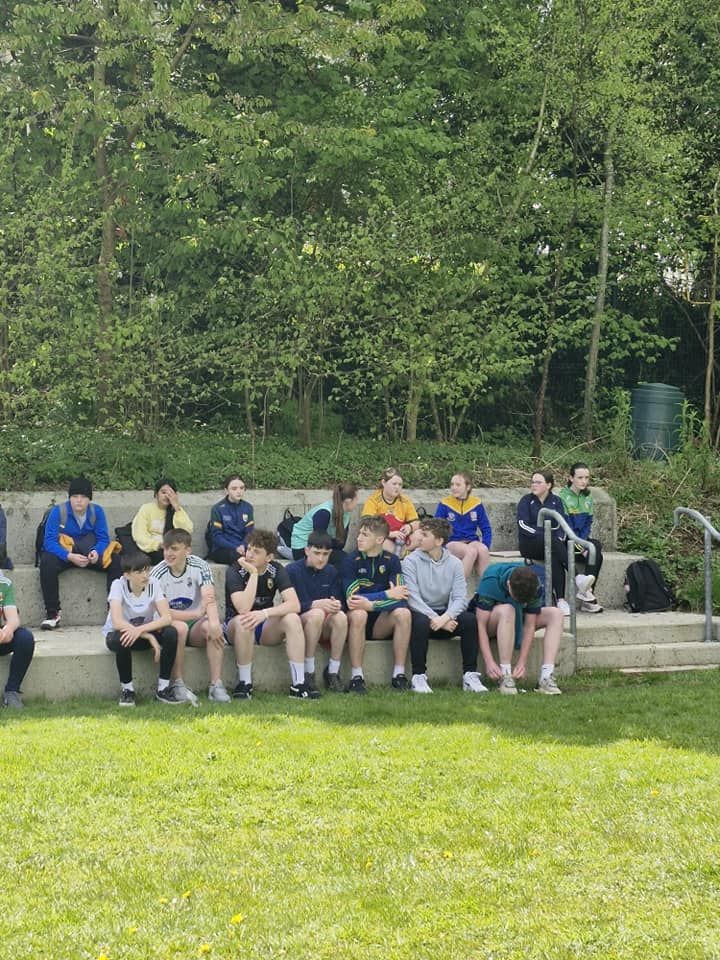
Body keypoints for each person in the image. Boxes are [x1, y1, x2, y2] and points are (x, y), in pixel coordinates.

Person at [224, 528, 318, 699]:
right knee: (245, 620)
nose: (249, 554)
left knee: (292, 618)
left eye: (256, 551)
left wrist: (265, 613)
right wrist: (253, 574)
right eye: (249, 548)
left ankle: (298, 684)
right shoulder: (235, 569)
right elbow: (243, 608)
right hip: (235, 626)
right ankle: (244, 684)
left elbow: (294, 604)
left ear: (269, 557)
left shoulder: (275, 569)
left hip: (263, 626)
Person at [402, 518, 487, 694]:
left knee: (470, 620)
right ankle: (418, 676)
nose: (420, 538)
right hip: (423, 614)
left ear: (439, 541)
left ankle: (470, 675)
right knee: (419, 622)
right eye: (420, 533)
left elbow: (460, 598)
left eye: (425, 535)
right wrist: (436, 618)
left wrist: (446, 617)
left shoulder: (454, 563)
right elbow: (413, 599)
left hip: (445, 617)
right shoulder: (410, 561)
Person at [150, 528, 225, 704]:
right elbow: (163, 612)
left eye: (174, 549)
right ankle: (178, 683)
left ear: (188, 550)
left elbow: (209, 597)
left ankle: (216, 685)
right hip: (168, 623)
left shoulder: (200, 566)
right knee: (180, 628)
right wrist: (196, 613)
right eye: (166, 549)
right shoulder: (157, 573)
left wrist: (214, 623)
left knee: (211, 628)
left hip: (195, 624)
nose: (168, 553)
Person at [340, 515, 411, 694]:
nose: (358, 538)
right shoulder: (350, 561)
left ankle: (399, 675)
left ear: (379, 540)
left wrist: (371, 605)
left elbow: (401, 597)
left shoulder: (392, 561)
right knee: (359, 613)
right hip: (356, 620)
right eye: (359, 534)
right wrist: (386, 594)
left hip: (381, 621)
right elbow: (353, 600)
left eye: (365, 535)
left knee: (403, 613)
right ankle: (356, 677)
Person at [39, 477, 120, 630]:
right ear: (69, 497)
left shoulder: (97, 511)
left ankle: (114, 611)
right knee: (47, 561)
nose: (79, 501)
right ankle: (52, 613)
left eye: (83, 497)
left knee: (116, 561)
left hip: (89, 554)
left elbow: (103, 539)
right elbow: (49, 542)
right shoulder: (58, 511)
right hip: (67, 553)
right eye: (75, 496)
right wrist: (68, 556)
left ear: (89, 499)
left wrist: (96, 552)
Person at [104, 552, 182, 706]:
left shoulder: (154, 584)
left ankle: (163, 688)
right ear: (127, 575)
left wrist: (140, 631)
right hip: (120, 635)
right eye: (139, 572)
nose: (145, 575)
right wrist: (149, 636)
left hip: (141, 633)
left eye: (147, 570)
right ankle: (127, 690)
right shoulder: (117, 585)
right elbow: (117, 622)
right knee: (122, 638)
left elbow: (167, 618)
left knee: (171, 632)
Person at [474, 562, 564, 695]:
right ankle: (505, 675)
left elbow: (529, 625)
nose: (519, 603)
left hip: (519, 619)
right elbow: (480, 625)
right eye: (516, 598)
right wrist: (489, 662)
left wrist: (522, 662)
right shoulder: (491, 579)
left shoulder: (534, 584)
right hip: (494, 622)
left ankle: (546, 677)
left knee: (556, 614)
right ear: (508, 584)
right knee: (508, 609)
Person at [516, 470, 593, 616]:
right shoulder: (526, 501)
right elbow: (522, 525)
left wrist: (556, 537)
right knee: (553, 542)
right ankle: (577, 577)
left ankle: (561, 600)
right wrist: (543, 533)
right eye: (533, 482)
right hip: (529, 544)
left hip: (551, 543)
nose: (534, 485)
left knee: (555, 553)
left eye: (538, 482)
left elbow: (561, 525)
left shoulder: (556, 501)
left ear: (548, 485)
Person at [286, 531, 348, 692]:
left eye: (325, 554)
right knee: (317, 614)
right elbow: (289, 606)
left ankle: (333, 672)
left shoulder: (332, 571)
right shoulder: (292, 570)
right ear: (307, 550)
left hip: (324, 625)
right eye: (317, 553)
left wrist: (336, 605)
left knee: (341, 617)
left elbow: (339, 600)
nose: (321, 558)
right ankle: (308, 671)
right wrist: (314, 604)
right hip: (300, 624)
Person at [558, 462, 604, 613]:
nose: (584, 481)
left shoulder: (588, 497)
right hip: (567, 541)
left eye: (586, 478)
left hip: (580, 540)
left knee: (596, 547)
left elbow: (588, 523)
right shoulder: (562, 497)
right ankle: (588, 597)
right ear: (571, 478)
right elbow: (567, 528)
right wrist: (582, 547)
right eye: (580, 478)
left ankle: (587, 595)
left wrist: (583, 544)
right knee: (592, 550)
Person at [434, 472, 492, 584]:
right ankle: (458, 587)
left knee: (483, 550)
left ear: (468, 487)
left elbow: (486, 528)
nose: (453, 488)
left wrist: (486, 544)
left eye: (458, 485)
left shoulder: (476, 504)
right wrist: (440, 546)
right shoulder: (445, 504)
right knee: (471, 552)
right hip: (452, 542)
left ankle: (485, 588)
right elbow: (436, 527)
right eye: (452, 484)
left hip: (471, 540)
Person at [290, 483, 359, 568]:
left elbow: (340, 544)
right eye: (356, 499)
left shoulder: (346, 514)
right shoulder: (324, 513)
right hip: (304, 548)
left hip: (325, 546)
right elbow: (319, 542)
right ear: (348, 501)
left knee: (350, 560)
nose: (357, 502)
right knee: (346, 562)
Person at [131, 478, 194, 566]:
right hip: (151, 550)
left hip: (172, 550)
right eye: (163, 492)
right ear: (156, 494)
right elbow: (140, 535)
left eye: (170, 493)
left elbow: (187, 531)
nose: (166, 496)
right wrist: (158, 545)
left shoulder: (177, 510)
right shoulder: (146, 509)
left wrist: (177, 508)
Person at [361, 467, 420, 554]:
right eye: (394, 484)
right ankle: (400, 555)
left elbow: (417, 523)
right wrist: (390, 533)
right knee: (378, 539)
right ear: (384, 483)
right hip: (384, 537)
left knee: (420, 533)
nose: (397, 487)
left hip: (402, 539)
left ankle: (400, 554)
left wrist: (409, 527)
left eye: (400, 485)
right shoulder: (373, 500)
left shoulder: (405, 501)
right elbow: (367, 523)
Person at [0, 569, 35, 709]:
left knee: (25, 638)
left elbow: (13, 619)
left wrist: (8, 629)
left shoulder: (4, 583)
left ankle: (11, 692)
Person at [206, 474, 255, 565]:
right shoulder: (217, 509)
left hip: (242, 548)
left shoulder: (248, 508)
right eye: (234, 489)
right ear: (226, 491)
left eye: (241, 488)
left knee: (260, 556)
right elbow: (216, 537)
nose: (239, 491)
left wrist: (243, 546)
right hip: (223, 549)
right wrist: (235, 547)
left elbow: (250, 532)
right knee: (238, 557)